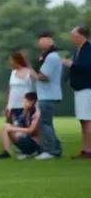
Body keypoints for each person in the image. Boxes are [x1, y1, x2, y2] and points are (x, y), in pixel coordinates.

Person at [30, 33, 62, 159]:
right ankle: (55, 147)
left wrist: (33, 74)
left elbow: (45, 76)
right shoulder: (47, 56)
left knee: (45, 123)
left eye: (44, 42)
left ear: (51, 42)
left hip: (48, 95)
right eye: (40, 42)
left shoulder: (51, 57)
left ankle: (51, 150)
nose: (41, 44)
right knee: (45, 123)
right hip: (46, 95)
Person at [63, 26, 90, 159]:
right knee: (83, 119)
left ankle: (89, 150)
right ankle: (85, 149)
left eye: (74, 35)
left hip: (87, 88)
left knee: (88, 119)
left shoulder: (88, 49)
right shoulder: (78, 50)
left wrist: (71, 64)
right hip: (79, 89)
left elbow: (87, 67)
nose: (72, 38)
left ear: (82, 36)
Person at [0, 92, 42, 160]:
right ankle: (7, 152)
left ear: (32, 102)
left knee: (9, 128)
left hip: (35, 145)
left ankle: (31, 152)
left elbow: (31, 130)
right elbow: (19, 124)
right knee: (5, 126)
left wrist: (13, 129)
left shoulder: (37, 114)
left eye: (25, 102)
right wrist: (24, 112)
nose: (24, 104)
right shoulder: (27, 112)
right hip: (29, 140)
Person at [4, 50, 33, 125]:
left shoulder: (29, 73)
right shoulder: (13, 73)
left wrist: (29, 105)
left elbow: (31, 90)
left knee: (23, 125)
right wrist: (8, 105)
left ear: (17, 61)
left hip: (24, 106)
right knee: (11, 126)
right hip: (13, 106)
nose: (11, 62)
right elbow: (10, 89)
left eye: (12, 60)